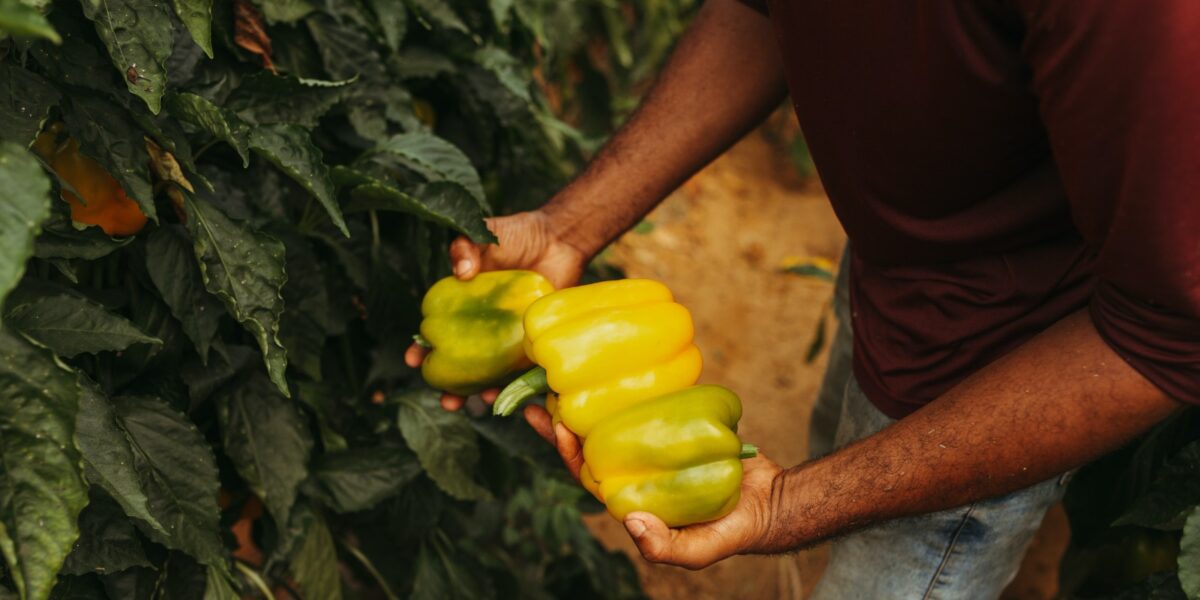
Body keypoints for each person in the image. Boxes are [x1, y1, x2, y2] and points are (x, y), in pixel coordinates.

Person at [406, 1, 1200, 596]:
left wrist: (793, 503)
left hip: (1005, 363)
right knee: (837, 442)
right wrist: (569, 230)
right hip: (899, 264)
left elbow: (1165, 334)